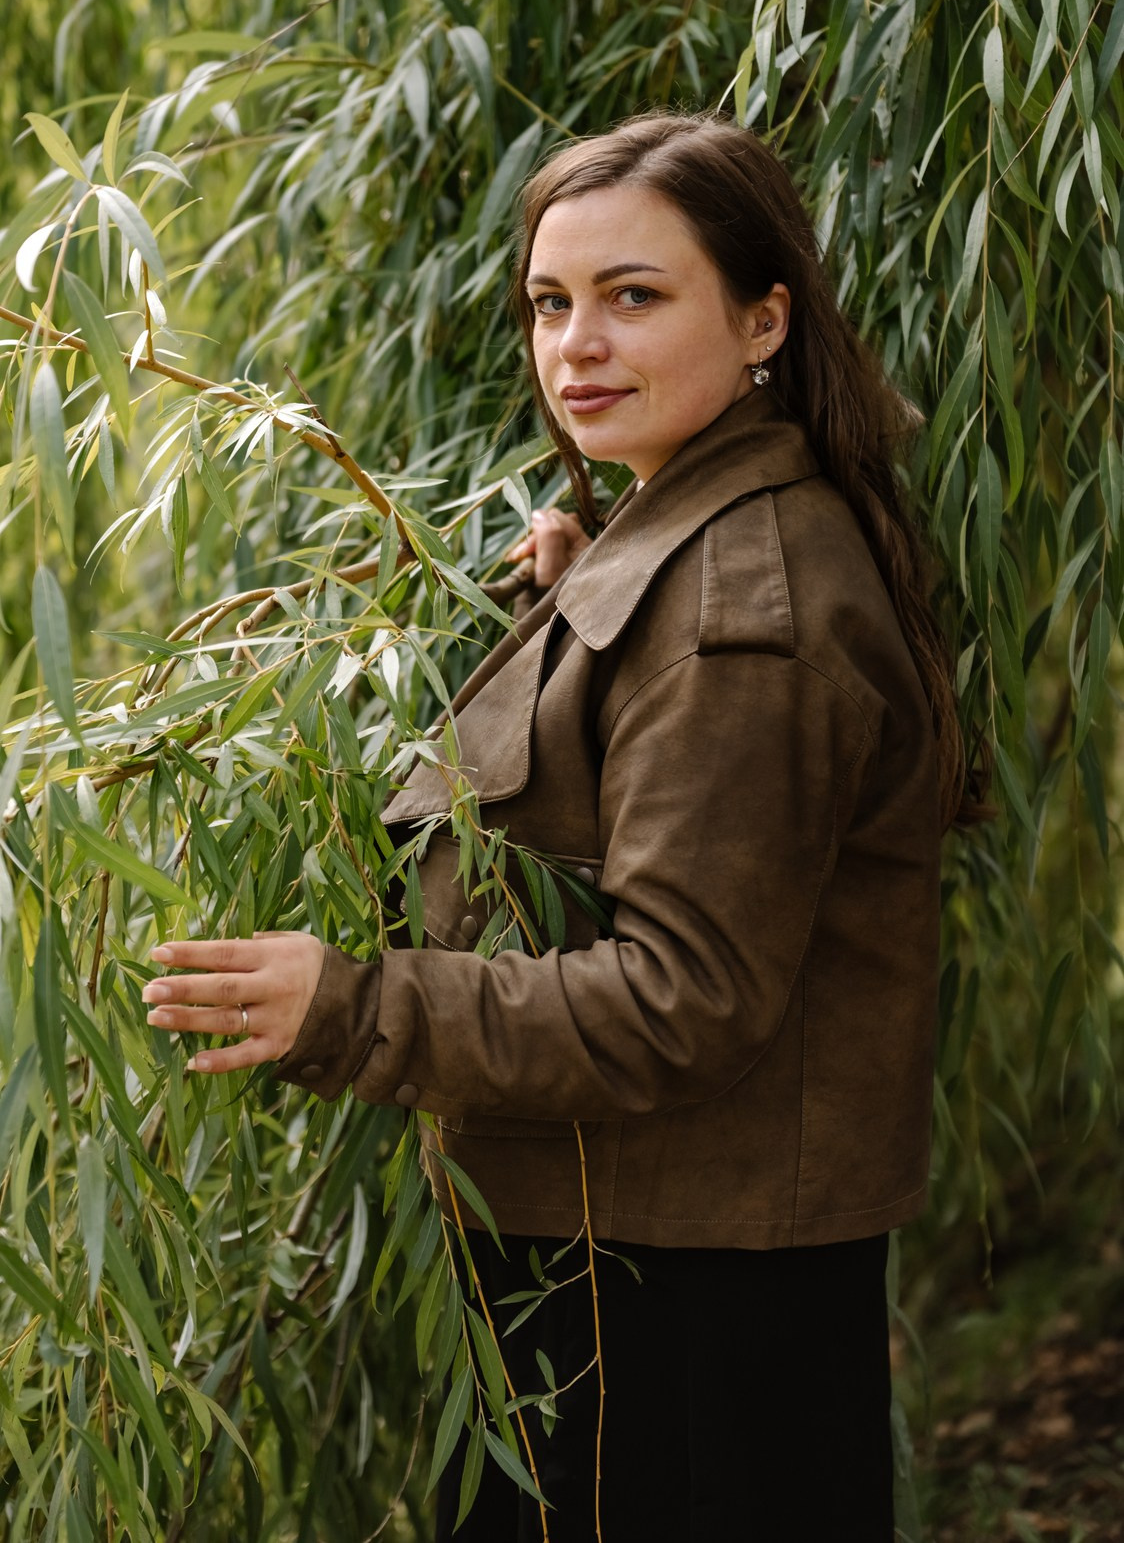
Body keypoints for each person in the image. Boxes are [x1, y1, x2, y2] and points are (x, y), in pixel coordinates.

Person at [141, 113, 965, 1541]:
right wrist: (595, 597)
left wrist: (353, 1008)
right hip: (652, 1257)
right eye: (549, 301)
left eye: (633, 297)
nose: (574, 344)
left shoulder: (737, 615)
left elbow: (682, 1001)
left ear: (763, 318)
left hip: (676, 1308)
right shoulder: (700, 540)